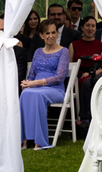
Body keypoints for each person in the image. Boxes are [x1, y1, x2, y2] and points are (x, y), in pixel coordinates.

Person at [19, 19, 70, 149]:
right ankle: (24, 140)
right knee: (25, 93)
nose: (51, 36)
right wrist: (27, 83)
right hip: (36, 87)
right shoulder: (38, 52)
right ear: (41, 35)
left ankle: (39, 141)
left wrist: (35, 83)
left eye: (53, 32)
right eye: (47, 33)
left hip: (55, 89)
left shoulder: (63, 51)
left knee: (37, 95)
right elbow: (31, 74)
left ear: (57, 33)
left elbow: (59, 77)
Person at [69, 16, 102, 134]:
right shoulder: (73, 45)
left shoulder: (101, 46)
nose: (90, 28)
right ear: (82, 27)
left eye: (93, 26)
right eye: (87, 25)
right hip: (76, 74)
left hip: (94, 73)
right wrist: (76, 74)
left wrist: (90, 73)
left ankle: (85, 118)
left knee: (87, 82)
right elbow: (70, 65)